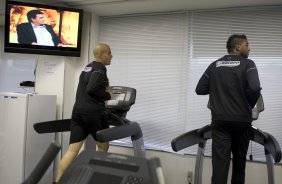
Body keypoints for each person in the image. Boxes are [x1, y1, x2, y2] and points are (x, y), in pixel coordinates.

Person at [195, 34, 261, 184]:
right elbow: (255, 87)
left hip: (220, 123)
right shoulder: (248, 64)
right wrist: (248, 105)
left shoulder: (214, 65)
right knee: (239, 165)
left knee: (219, 166)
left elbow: (200, 89)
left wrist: (218, 88)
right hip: (242, 123)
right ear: (238, 47)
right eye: (247, 45)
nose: (249, 48)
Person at [54, 43, 113, 183]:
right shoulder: (100, 68)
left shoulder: (87, 67)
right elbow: (91, 89)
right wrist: (107, 96)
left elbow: (85, 89)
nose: (111, 56)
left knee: (72, 150)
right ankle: (95, 179)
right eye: (109, 53)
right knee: (103, 146)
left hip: (78, 112)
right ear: (101, 55)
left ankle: (57, 181)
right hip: (94, 113)